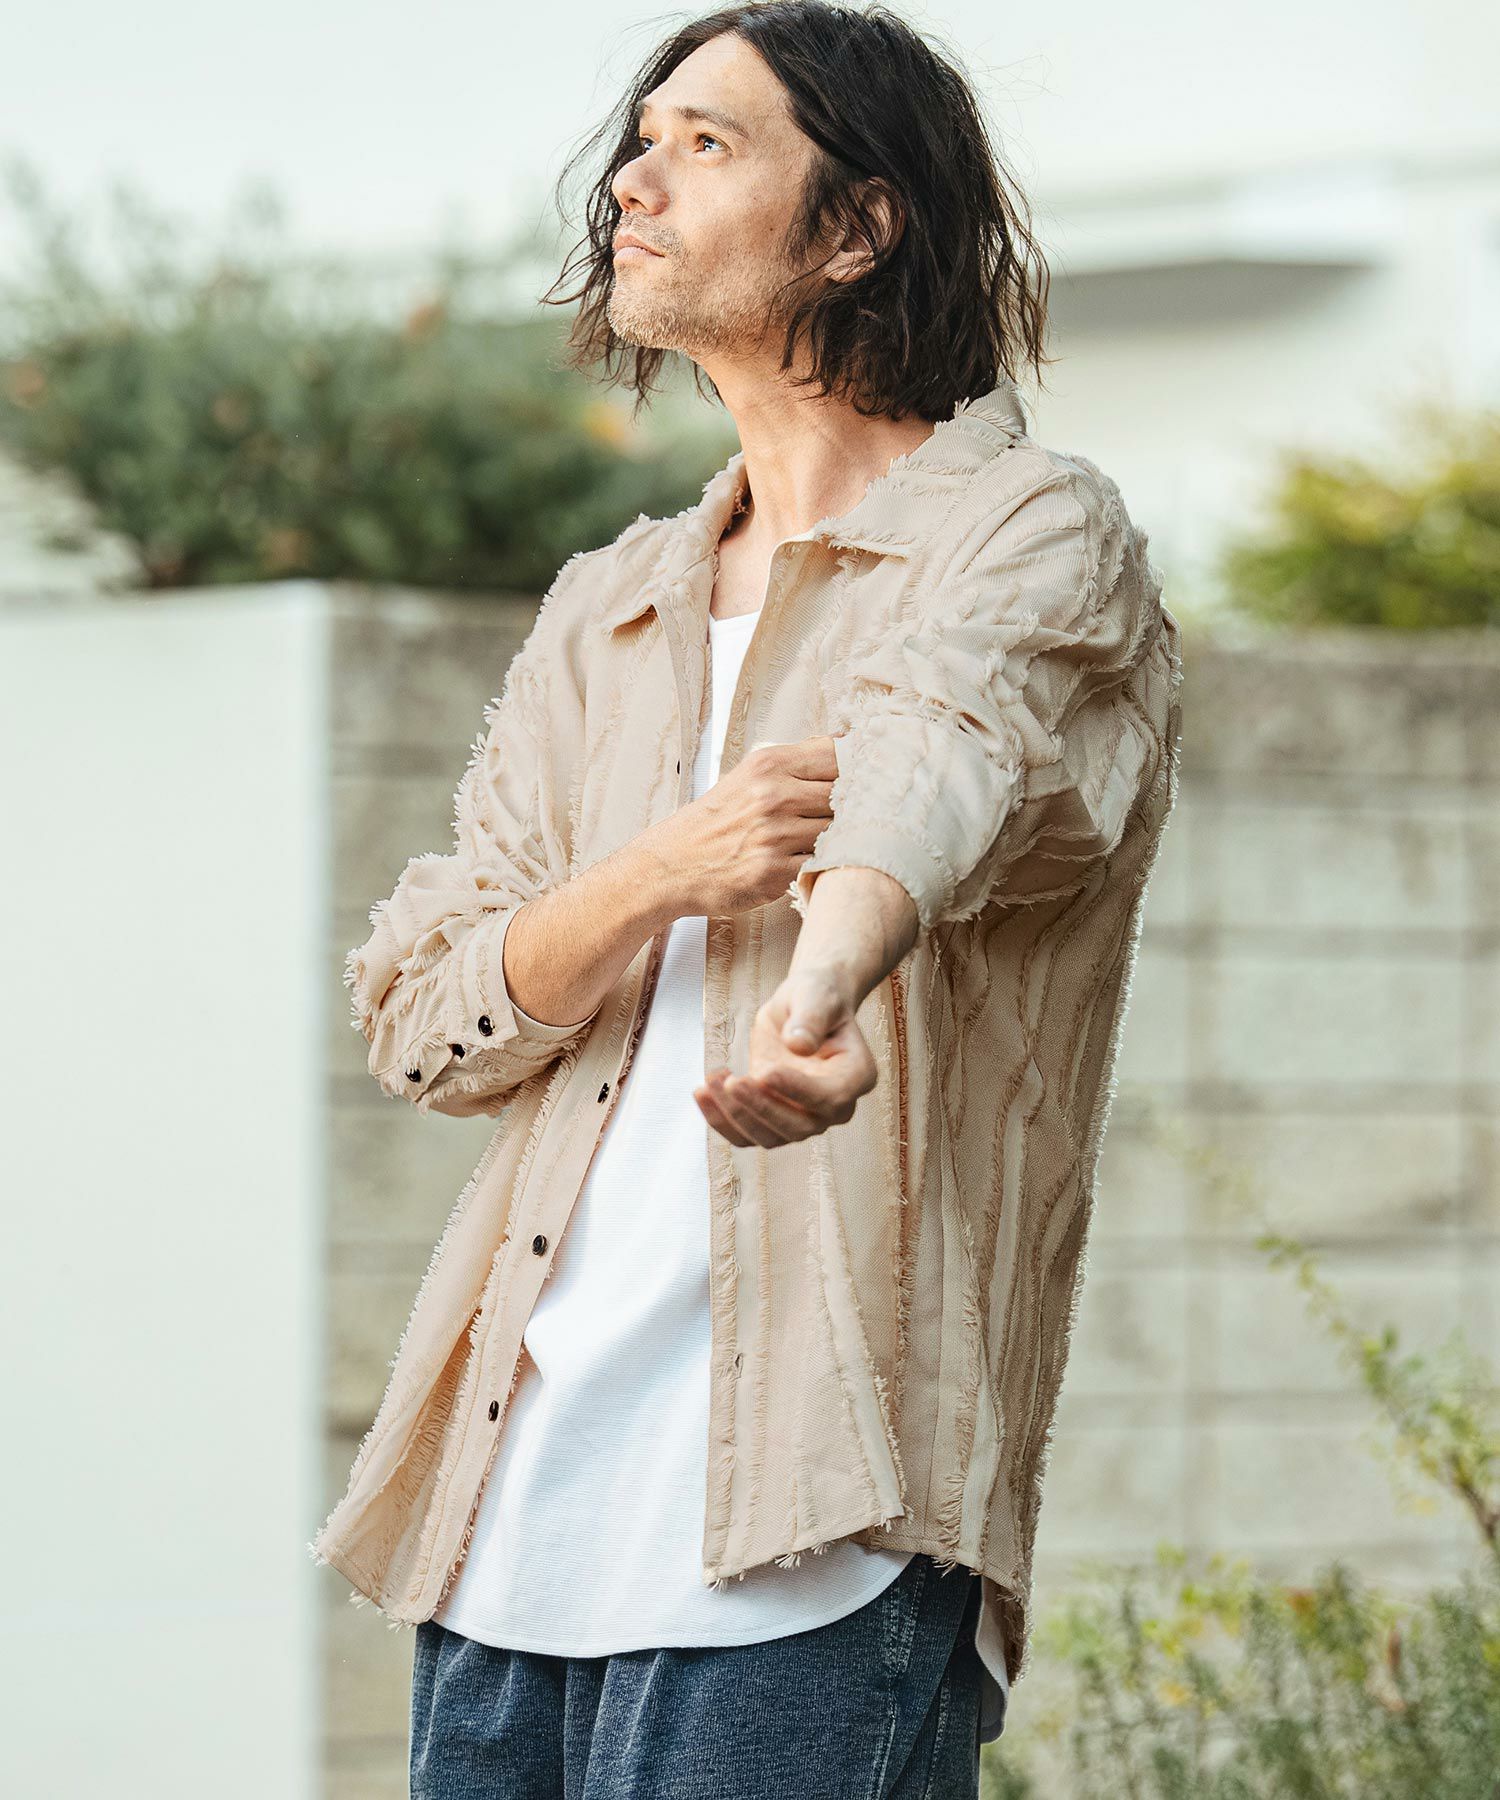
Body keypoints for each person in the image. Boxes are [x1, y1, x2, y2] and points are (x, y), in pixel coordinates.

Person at [308, 4, 1185, 1796]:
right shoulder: (609, 603)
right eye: (641, 139)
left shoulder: (1026, 528)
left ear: (858, 226)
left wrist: (821, 991)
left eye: (707, 142)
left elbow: (937, 757)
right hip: (505, 1522)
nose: (635, 179)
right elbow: (424, 1010)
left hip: (813, 1529)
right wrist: (665, 869)